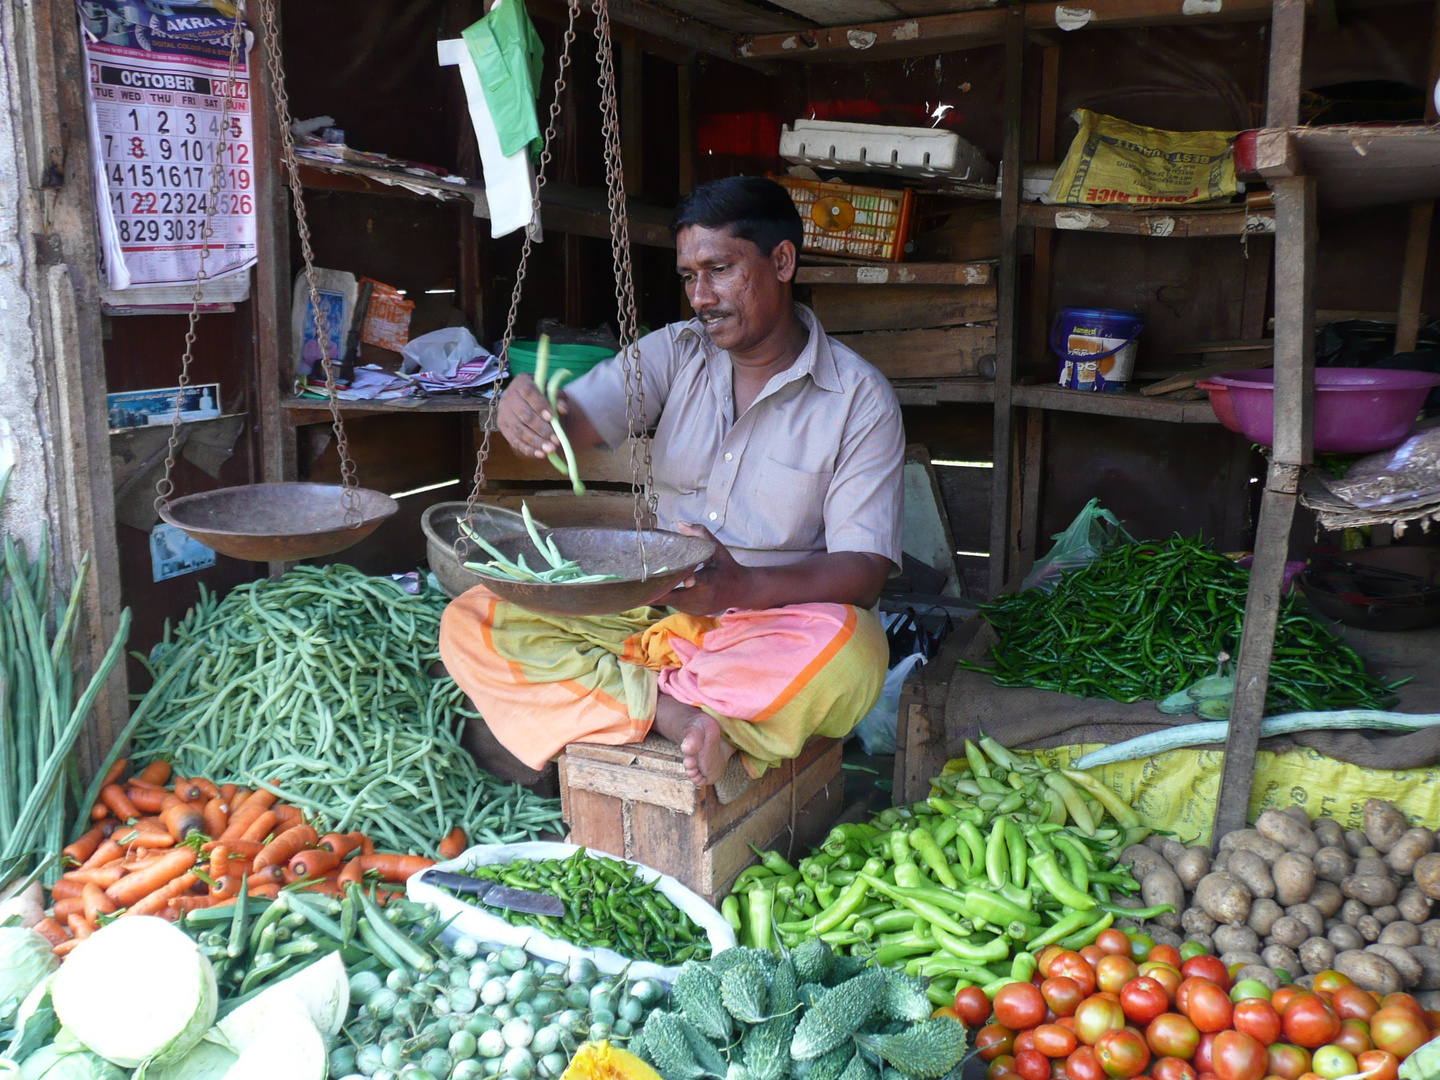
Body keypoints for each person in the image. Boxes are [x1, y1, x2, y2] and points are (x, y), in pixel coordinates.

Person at [439, 176, 904, 788]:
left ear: (782, 261)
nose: (701, 297)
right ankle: (679, 715)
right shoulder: (676, 352)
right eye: (688, 276)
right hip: (648, 613)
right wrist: (529, 411)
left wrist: (741, 588)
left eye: (719, 269)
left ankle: (642, 706)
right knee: (474, 619)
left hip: (767, 626)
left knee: (856, 655)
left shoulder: (858, 398)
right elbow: (572, 421)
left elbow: (864, 572)